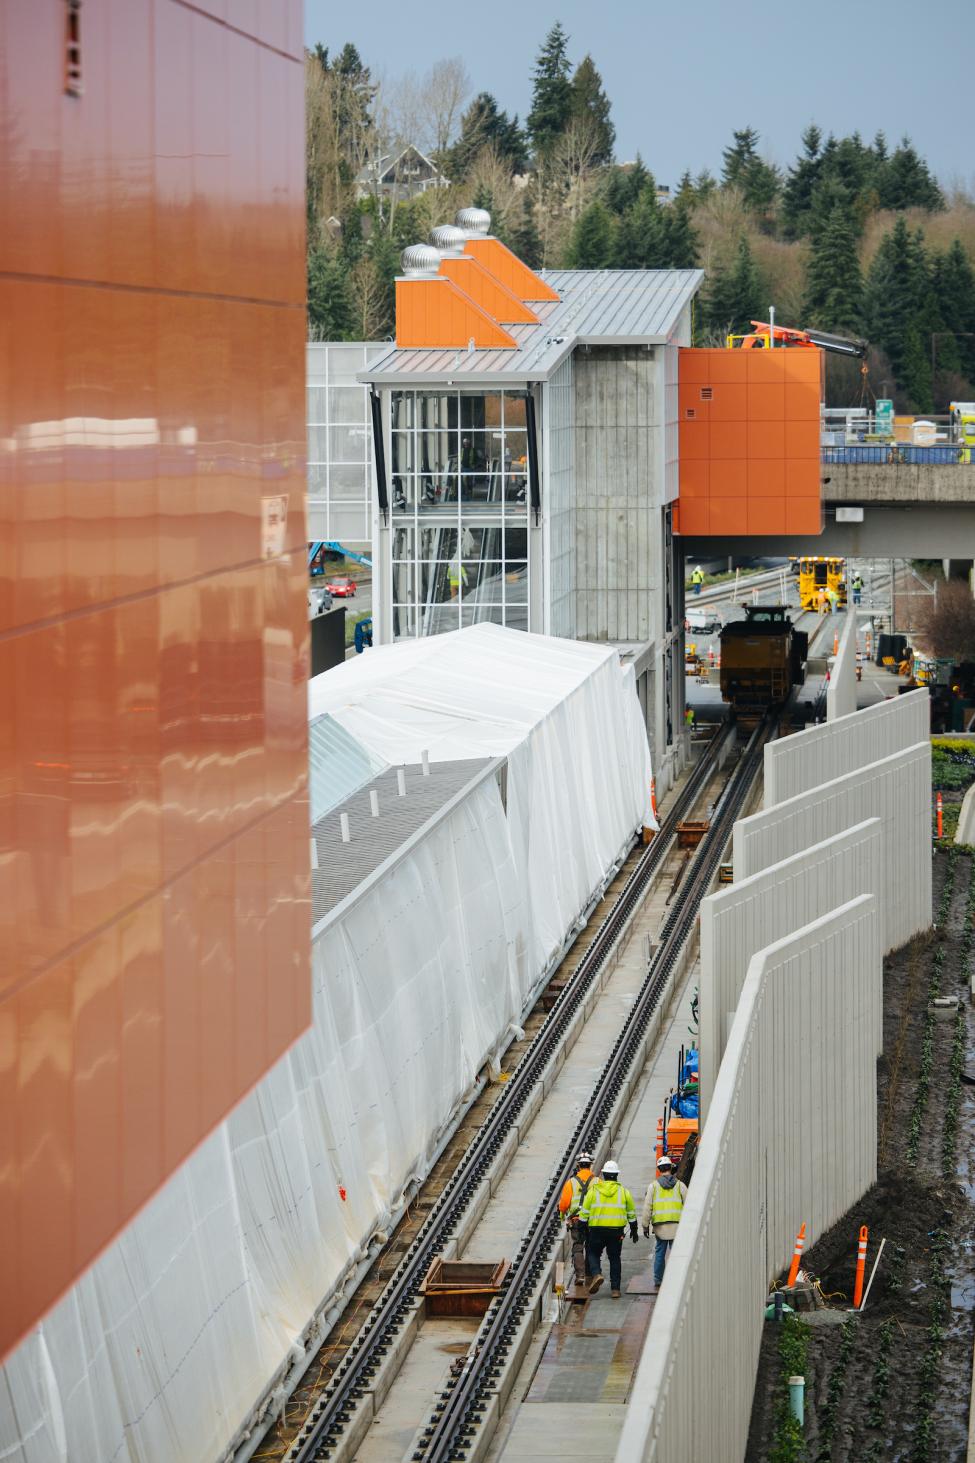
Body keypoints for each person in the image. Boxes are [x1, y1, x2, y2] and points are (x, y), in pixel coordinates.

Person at [577, 1159, 638, 1298]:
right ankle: (615, 1289)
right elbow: (631, 1214)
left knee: (592, 1253)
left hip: (596, 1230)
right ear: (616, 1175)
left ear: (603, 1175)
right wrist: (634, 1230)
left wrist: (581, 1230)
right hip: (616, 1232)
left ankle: (597, 1274)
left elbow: (584, 1213)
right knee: (615, 1258)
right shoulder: (624, 1192)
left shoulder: (593, 1191)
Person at [642, 1155, 688, 1289]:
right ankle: (677, 1279)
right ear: (671, 1168)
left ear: (659, 1169)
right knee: (677, 1254)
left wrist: (645, 1225)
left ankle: (658, 1280)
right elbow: (689, 1203)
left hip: (660, 1227)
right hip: (676, 1225)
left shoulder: (653, 1187)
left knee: (660, 1253)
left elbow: (647, 1207)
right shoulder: (680, 1185)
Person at [558, 1151, 596, 1290]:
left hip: (577, 1220)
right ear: (590, 1165)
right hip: (593, 1220)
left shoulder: (571, 1183)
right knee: (591, 1246)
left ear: (578, 1166)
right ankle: (590, 1274)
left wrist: (563, 1215)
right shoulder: (597, 1181)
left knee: (578, 1246)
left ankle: (580, 1275)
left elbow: (563, 1204)